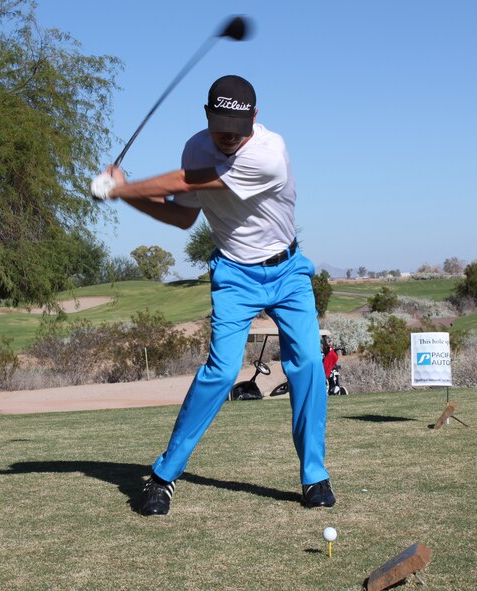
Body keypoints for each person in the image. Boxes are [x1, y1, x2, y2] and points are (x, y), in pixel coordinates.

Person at [91, 75, 334, 516]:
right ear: (207, 115)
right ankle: (163, 476)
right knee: (221, 373)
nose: (228, 136)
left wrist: (121, 186)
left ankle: (314, 475)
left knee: (309, 364)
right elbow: (183, 216)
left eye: (237, 127)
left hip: (288, 271)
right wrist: (125, 197)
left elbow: (186, 182)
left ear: (254, 118)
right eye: (221, 125)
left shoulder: (269, 154)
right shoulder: (196, 146)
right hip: (235, 274)